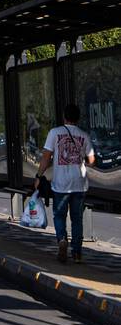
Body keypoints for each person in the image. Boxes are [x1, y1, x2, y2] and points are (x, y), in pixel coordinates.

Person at [34, 102, 95, 263]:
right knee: (77, 218)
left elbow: (46, 157)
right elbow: (92, 160)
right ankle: (77, 253)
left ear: (64, 117)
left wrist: (39, 175)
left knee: (59, 215)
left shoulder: (55, 133)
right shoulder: (84, 135)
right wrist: (80, 162)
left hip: (61, 184)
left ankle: (62, 239)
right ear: (78, 118)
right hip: (80, 183)